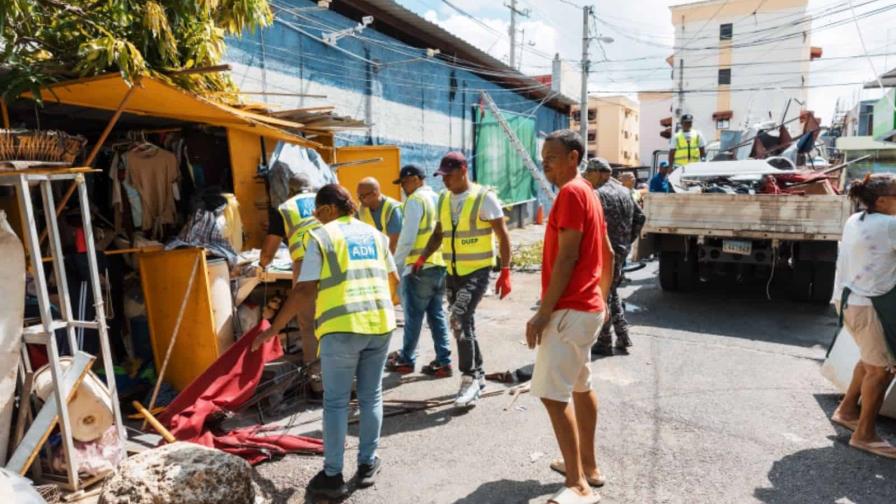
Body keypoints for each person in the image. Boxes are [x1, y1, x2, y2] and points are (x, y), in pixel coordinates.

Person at [253, 184, 398, 499]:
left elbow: (303, 291)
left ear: (330, 210)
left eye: (318, 212)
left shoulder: (322, 238)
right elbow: (394, 280)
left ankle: (332, 476)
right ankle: (367, 464)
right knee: (372, 396)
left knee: (335, 402)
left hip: (342, 328)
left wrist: (272, 329)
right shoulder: (376, 236)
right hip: (380, 325)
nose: (316, 219)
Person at [527, 130, 613, 504]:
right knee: (580, 385)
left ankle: (578, 484)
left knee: (552, 395)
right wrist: (603, 298)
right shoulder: (589, 193)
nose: (545, 161)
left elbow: (568, 256)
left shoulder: (571, 193)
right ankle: (588, 467)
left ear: (574, 157)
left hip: (569, 310)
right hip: (586, 307)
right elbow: (607, 252)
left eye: (553, 156)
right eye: (544, 155)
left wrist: (542, 313)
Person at [417, 151, 512, 408]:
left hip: (478, 272)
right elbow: (439, 232)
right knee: (464, 323)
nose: (444, 181)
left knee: (458, 318)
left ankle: (468, 379)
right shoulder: (444, 199)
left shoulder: (484, 197)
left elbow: (503, 236)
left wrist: (505, 271)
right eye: (441, 176)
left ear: (463, 171)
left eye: (448, 175)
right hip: (453, 272)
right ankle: (478, 375)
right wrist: (422, 257)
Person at [830, 173, 896, 460]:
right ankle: (865, 435)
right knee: (880, 371)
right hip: (869, 306)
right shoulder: (890, 225)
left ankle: (846, 410)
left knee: (870, 361)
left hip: (847, 303)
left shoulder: (856, 219)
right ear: (881, 200)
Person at [385, 165, 452, 377]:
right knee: (436, 315)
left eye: (404, 182)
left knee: (413, 316)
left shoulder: (415, 200)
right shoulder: (438, 198)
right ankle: (444, 361)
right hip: (439, 265)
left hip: (418, 268)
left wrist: (396, 265)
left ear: (415, 179)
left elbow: (407, 237)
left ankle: (406, 359)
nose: (403, 188)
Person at [583, 158, 645, 356]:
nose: (587, 178)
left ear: (599, 173)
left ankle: (604, 341)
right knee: (611, 292)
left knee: (601, 295)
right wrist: (628, 240)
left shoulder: (597, 194)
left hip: (603, 252)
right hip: (621, 250)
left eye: (589, 174)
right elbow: (640, 217)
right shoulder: (625, 192)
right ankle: (623, 335)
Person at [357, 177, 403, 253]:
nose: (360, 199)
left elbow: (394, 245)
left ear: (375, 194)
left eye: (363, 196)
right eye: (358, 196)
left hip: (394, 258)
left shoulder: (392, 209)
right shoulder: (361, 210)